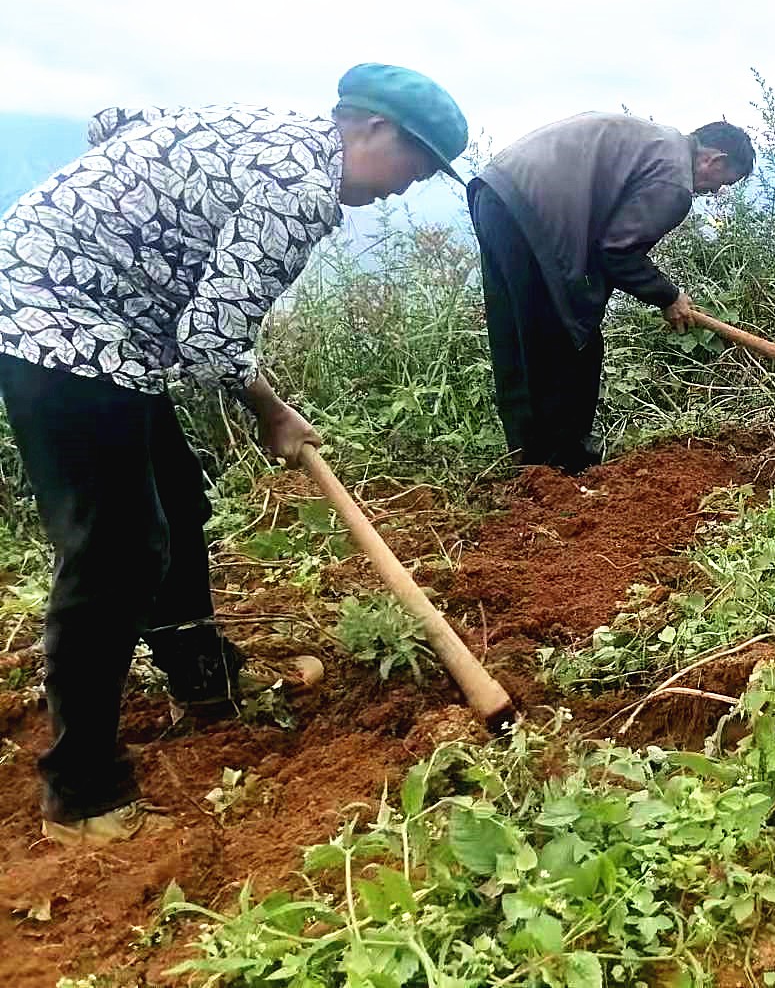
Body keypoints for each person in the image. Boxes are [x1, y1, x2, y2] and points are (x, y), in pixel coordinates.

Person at [0, 63, 468, 846]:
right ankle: (80, 791)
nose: (405, 188)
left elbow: (116, 119)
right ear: (374, 129)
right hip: (61, 327)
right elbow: (210, 341)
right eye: (413, 166)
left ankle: (203, 681)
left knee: (177, 501)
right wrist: (272, 411)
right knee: (115, 548)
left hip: (103, 322)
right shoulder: (302, 188)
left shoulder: (274, 130)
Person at [469, 113, 754, 473]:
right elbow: (617, 252)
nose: (715, 192)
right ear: (715, 159)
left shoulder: (658, 145)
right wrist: (668, 295)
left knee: (518, 336)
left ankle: (528, 465)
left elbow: (607, 243)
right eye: (723, 182)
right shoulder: (675, 180)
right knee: (571, 339)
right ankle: (564, 466)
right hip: (534, 214)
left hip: (495, 193)